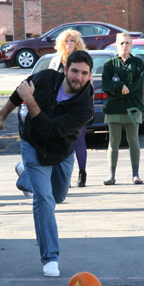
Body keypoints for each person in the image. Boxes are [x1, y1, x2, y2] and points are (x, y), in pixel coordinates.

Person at [0, 50, 94, 277]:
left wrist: (31, 101)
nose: (78, 77)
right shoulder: (46, 77)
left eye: (84, 73)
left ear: (90, 76)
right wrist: (1, 116)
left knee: (58, 196)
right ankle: (50, 258)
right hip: (33, 145)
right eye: (74, 71)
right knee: (44, 200)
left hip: (62, 152)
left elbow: (52, 130)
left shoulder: (85, 107)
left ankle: (25, 175)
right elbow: (20, 92)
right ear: (65, 69)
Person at [102, 32, 144, 185]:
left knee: (133, 140)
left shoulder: (138, 63)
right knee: (114, 141)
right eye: (121, 43)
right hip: (114, 108)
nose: (124, 46)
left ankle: (136, 175)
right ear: (117, 45)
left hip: (132, 107)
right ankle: (111, 176)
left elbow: (138, 84)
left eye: (127, 43)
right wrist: (120, 86)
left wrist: (126, 90)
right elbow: (106, 85)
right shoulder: (109, 64)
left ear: (131, 45)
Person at [49, 29, 89, 187]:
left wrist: (89, 107)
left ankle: (82, 173)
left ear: (77, 43)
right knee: (60, 139)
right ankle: (64, 176)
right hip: (59, 107)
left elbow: (89, 84)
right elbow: (50, 83)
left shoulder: (84, 59)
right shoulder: (56, 61)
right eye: (66, 41)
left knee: (79, 138)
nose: (69, 43)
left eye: (72, 40)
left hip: (78, 105)